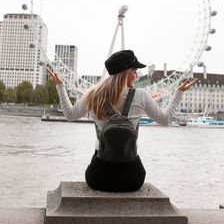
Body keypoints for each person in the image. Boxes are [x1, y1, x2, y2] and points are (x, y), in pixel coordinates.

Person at [47, 50, 197, 192]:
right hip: (132, 178)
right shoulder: (141, 95)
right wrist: (179, 92)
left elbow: (70, 115)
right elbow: (165, 120)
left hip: (98, 176)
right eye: (134, 70)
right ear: (126, 72)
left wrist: (60, 86)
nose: (137, 75)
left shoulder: (92, 95)